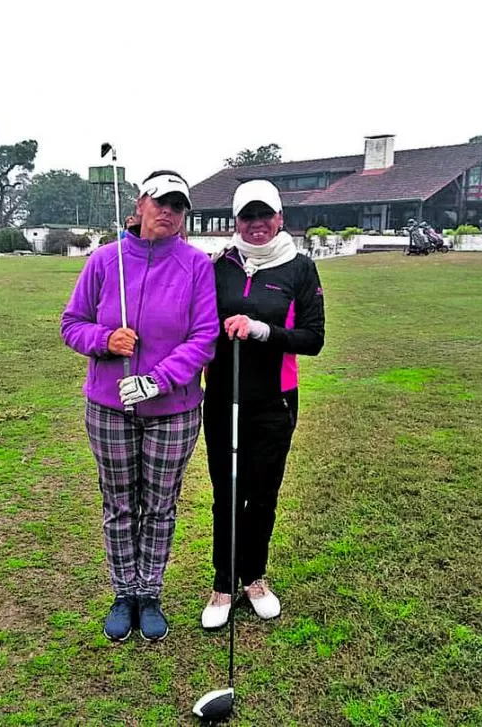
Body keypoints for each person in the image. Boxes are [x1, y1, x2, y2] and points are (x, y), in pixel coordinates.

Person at [61, 170, 219, 642]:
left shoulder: (196, 265)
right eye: (160, 202)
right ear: (140, 204)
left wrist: (159, 379)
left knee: (159, 505)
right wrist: (105, 340)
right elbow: (72, 324)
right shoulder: (104, 262)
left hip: (173, 409)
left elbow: (204, 335)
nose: (167, 212)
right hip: (109, 406)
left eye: (177, 205)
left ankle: (149, 591)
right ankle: (123, 591)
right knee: (120, 504)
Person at [200, 179, 325, 629]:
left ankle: (254, 577)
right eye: (247, 217)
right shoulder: (219, 266)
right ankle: (222, 583)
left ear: (280, 218)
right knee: (226, 494)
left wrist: (263, 331)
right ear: (236, 221)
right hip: (221, 399)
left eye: (264, 216)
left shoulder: (300, 268)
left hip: (274, 402)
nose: (257, 225)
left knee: (263, 493)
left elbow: (314, 339)